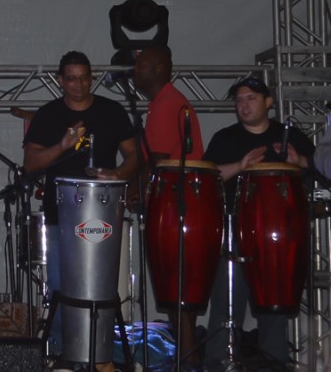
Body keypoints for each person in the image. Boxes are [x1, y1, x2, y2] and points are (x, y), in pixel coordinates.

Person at [22, 50, 139, 359]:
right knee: (61, 285)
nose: (79, 84)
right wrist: (63, 145)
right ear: (61, 80)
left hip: (103, 213)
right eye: (72, 79)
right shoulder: (49, 114)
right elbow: (30, 162)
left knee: (102, 285)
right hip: (61, 215)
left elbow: (135, 155)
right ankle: (64, 355)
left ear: (92, 78)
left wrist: (117, 174)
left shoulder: (111, 111)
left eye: (84, 78)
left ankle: (99, 354)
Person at [203, 76, 314, 371]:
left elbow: (318, 169)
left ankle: (273, 363)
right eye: (239, 100)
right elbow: (207, 175)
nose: (244, 105)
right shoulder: (225, 138)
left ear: (268, 102)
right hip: (235, 228)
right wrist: (240, 166)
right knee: (227, 300)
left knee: (274, 302)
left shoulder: (291, 137)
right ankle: (219, 363)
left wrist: (301, 161)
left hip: (279, 233)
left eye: (251, 98)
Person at [132, 43, 205, 367]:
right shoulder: (164, 103)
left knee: (176, 291)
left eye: (141, 65)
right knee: (177, 293)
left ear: (159, 69)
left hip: (175, 206)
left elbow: (156, 163)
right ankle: (187, 361)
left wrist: (127, 190)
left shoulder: (167, 104)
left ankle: (188, 363)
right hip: (178, 204)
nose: (135, 71)